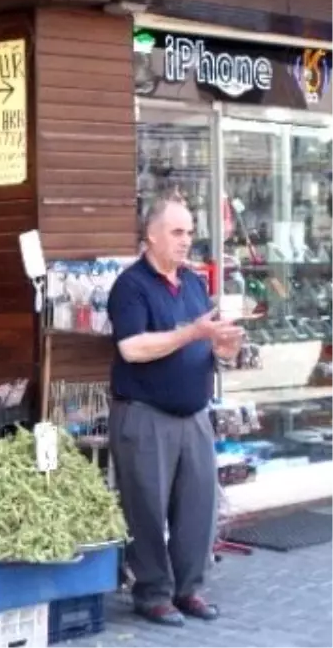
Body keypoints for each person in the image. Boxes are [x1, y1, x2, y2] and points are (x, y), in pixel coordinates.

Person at [107, 198, 243, 627]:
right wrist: (193, 333)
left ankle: (189, 589)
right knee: (146, 507)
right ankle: (152, 593)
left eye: (189, 232)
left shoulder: (192, 284)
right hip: (145, 414)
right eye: (177, 232)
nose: (186, 241)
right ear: (151, 235)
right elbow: (132, 348)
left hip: (194, 415)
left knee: (197, 508)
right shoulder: (130, 286)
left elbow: (202, 342)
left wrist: (222, 349)